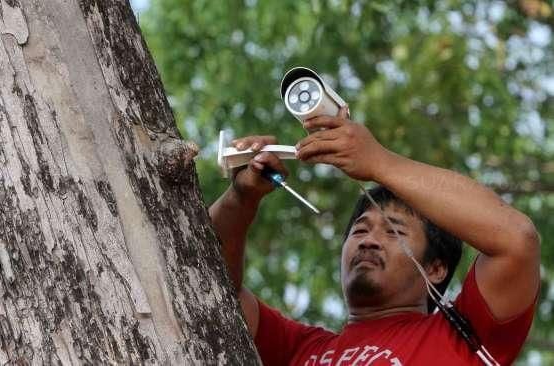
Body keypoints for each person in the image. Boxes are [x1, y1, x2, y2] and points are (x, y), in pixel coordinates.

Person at [209, 107, 540, 365]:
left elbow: (516, 238)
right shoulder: (298, 350)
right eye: (360, 229)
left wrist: (379, 162)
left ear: (436, 268)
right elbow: (206, 286)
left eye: (394, 231)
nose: (368, 240)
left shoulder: (466, 336)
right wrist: (241, 199)